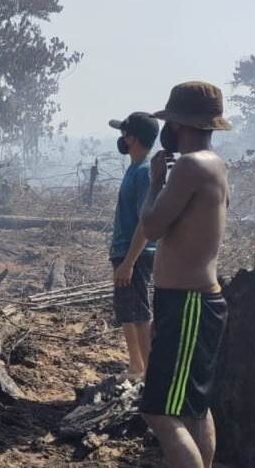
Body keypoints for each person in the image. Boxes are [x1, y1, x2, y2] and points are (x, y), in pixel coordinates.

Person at [139, 82, 232, 468]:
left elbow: (152, 226)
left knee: (159, 413)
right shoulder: (214, 163)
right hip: (196, 302)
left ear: (178, 124)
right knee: (193, 409)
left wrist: (154, 182)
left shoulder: (191, 166)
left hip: (187, 305)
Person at [107, 112, 159, 380]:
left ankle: (149, 376)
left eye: (124, 134)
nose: (121, 139)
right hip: (125, 253)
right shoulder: (134, 167)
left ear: (133, 138)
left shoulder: (143, 173)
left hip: (134, 254)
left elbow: (146, 222)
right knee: (128, 312)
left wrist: (129, 262)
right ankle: (136, 367)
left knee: (139, 314)